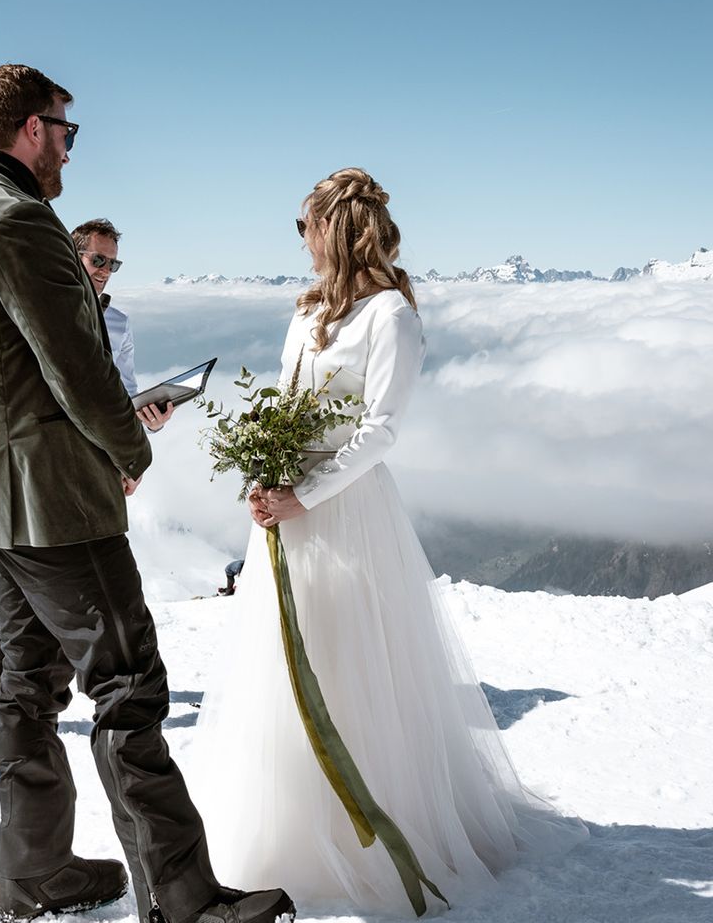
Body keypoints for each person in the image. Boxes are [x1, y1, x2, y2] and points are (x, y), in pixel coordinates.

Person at [0, 64, 294, 923]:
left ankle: (35, 875)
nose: (68, 147)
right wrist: (132, 448)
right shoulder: (20, 222)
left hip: (0, 502)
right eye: (64, 128)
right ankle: (184, 899)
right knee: (127, 685)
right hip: (58, 500)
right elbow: (78, 369)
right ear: (28, 129)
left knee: (25, 688)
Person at [188, 168, 586, 917]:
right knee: (277, 662)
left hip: (345, 513)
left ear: (332, 230)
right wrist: (266, 476)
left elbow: (382, 430)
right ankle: (274, 828)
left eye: (304, 226)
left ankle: (362, 826)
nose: (299, 241)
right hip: (283, 510)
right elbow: (285, 405)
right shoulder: (303, 313)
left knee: (351, 661)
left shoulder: (389, 317)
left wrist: (306, 494)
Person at [0, 217, 172, 724]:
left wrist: (146, 423)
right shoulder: (48, 306)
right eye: (98, 259)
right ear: (72, 255)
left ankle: (48, 685)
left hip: (100, 459)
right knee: (26, 571)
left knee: (69, 583)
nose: (105, 271)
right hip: (48, 465)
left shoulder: (118, 322)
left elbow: (119, 391)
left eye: (113, 262)